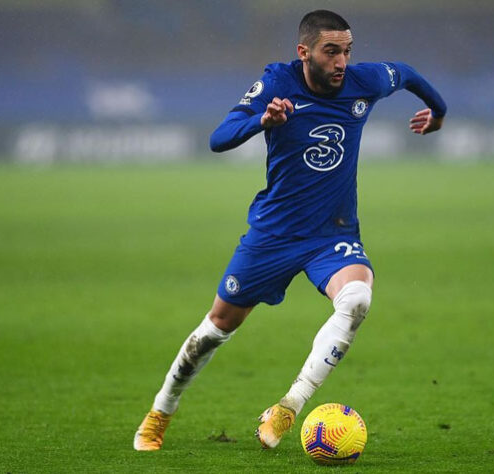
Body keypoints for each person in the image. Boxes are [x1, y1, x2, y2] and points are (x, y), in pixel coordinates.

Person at [134, 9, 446, 451]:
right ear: (304, 53)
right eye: (331, 51)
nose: (342, 61)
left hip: (331, 234)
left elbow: (408, 73)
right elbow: (218, 138)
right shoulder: (278, 83)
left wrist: (439, 111)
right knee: (216, 328)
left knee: (356, 299)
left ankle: (287, 408)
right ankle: (160, 412)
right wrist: (262, 121)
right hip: (273, 235)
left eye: (348, 51)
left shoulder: (366, 82)